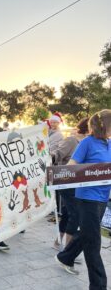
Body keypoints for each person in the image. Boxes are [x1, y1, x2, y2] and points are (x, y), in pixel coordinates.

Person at [55, 109, 111, 290]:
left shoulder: (109, 143)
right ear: (105, 125)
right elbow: (71, 168)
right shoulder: (87, 143)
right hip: (87, 199)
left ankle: (65, 256)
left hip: (102, 198)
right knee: (94, 243)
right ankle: (98, 286)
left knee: (88, 234)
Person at [51, 118, 89, 250]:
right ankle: (68, 249)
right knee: (76, 214)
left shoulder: (89, 143)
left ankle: (58, 241)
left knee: (68, 213)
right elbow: (57, 155)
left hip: (79, 183)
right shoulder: (72, 140)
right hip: (66, 182)